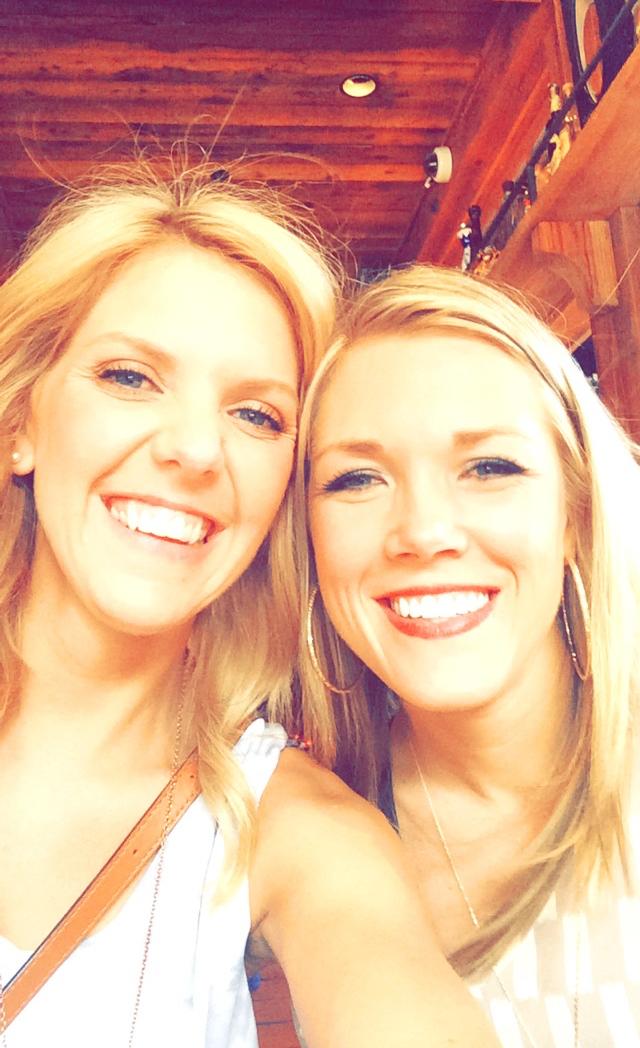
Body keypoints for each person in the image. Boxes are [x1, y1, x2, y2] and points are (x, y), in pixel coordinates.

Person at [0, 173, 498, 1048]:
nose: (197, 449)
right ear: (20, 425)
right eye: (130, 376)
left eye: (258, 415)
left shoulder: (299, 831)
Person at [299, 263, 640, 1047]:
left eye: (490, 468)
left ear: (575, 514)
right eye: (357, 478)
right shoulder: (303, 829)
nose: (423, 532)